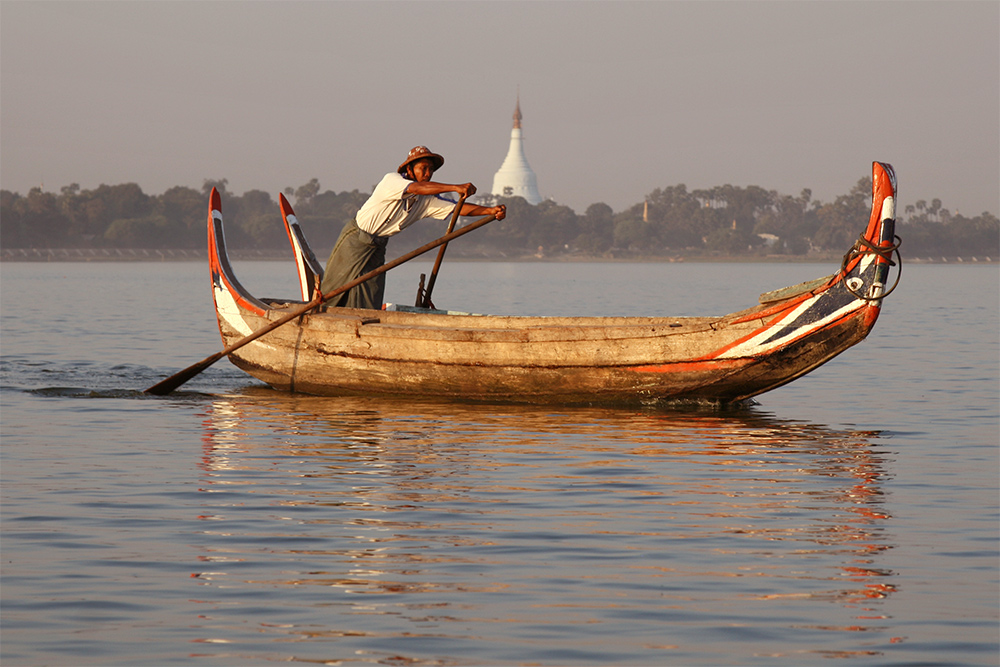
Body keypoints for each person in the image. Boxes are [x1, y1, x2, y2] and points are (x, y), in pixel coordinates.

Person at [320, 146, 506, 309]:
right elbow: (416, 188)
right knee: (334, 290)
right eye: (423, 168)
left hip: (378, 245)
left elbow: (456, 209)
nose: (427, 173)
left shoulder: (425, 201)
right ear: (409, 169)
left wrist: (490, 211)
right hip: (356, 239)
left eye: (431, 169)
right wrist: (455, 187)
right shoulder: (392, 181)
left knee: (371, 293)